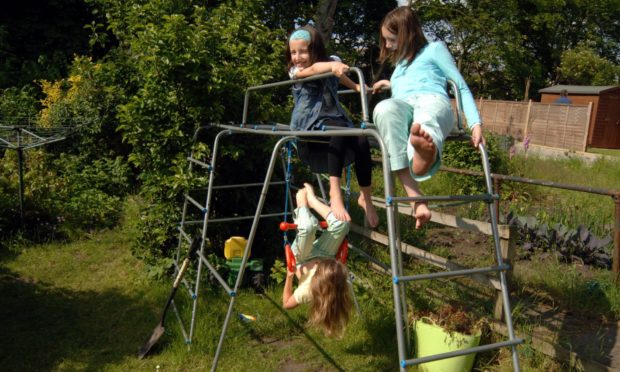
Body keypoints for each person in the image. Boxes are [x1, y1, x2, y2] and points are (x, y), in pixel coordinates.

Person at [371, 6, 485, 229]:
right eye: (385, 40)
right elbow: (409, 83)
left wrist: (475, 123)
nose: (387, 45)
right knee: (384, 109)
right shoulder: (400, 65)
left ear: (407, 35)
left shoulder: (434, 49)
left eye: (391, 39)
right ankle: (416, 193)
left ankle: (424, 152)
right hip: (405, 107)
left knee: (426, 117)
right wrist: (390, 84)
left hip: (432, 99)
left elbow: (460, 86)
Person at [286, 25, 379, 228]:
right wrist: (331, 67)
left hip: (333, 116)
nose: (297, 57)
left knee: (362, 138)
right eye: (293, 52)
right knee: (339, 128)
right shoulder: (296, 71)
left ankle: (366, 197)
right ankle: (334, 192)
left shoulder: (330, 62)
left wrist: (355, 86)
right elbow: (314, 70)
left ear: (315, 49)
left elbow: (336, 73)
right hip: (309, 123)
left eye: (302, 51)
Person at [282, 183, 353, 338]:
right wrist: (326, 259)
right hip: (325, 253)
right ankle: (313, 201)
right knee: (343, 223)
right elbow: (330, 262)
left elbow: (287, 304)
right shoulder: (338, 276)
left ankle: (301, 202)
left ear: (318, 279)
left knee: (308, 227)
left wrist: (289, 276)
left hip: (301, 258)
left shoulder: (306, 291)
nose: (316, 264)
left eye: (317, 268)